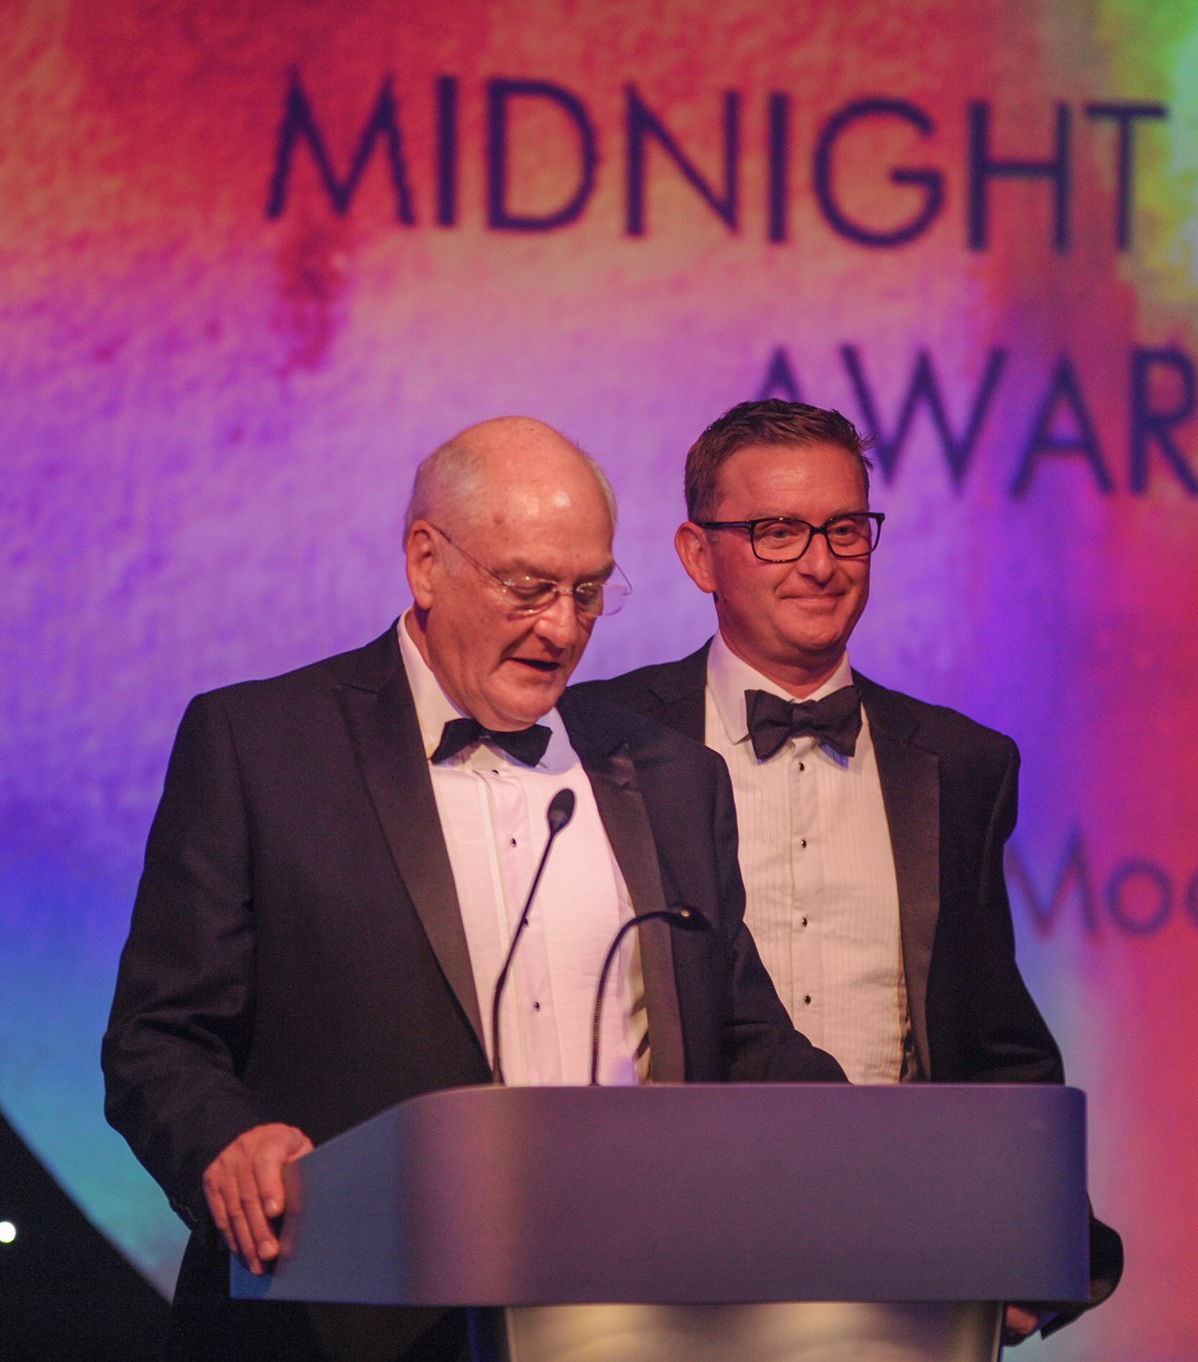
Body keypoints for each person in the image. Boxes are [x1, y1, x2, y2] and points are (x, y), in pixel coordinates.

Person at [102, 416, 843, 1362]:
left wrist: (898, 1167)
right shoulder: (260, 747)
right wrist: (228, 1145)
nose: (563, 628)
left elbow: (744, 1040)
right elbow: (158, 1039)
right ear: (426, 562)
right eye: (528, 588)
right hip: (345, 1328)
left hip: (627, 1324)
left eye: (587, 592)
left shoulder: (671, 776)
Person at [576, 399, 1123, 1344]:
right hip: (662, 1269)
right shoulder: (598, 741)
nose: (821, 563)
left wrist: (1035, 1248)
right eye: (778, 531)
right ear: (699, 555)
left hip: (900, 1273)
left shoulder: (960, 763)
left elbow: (992, 1034)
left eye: (843, 529)